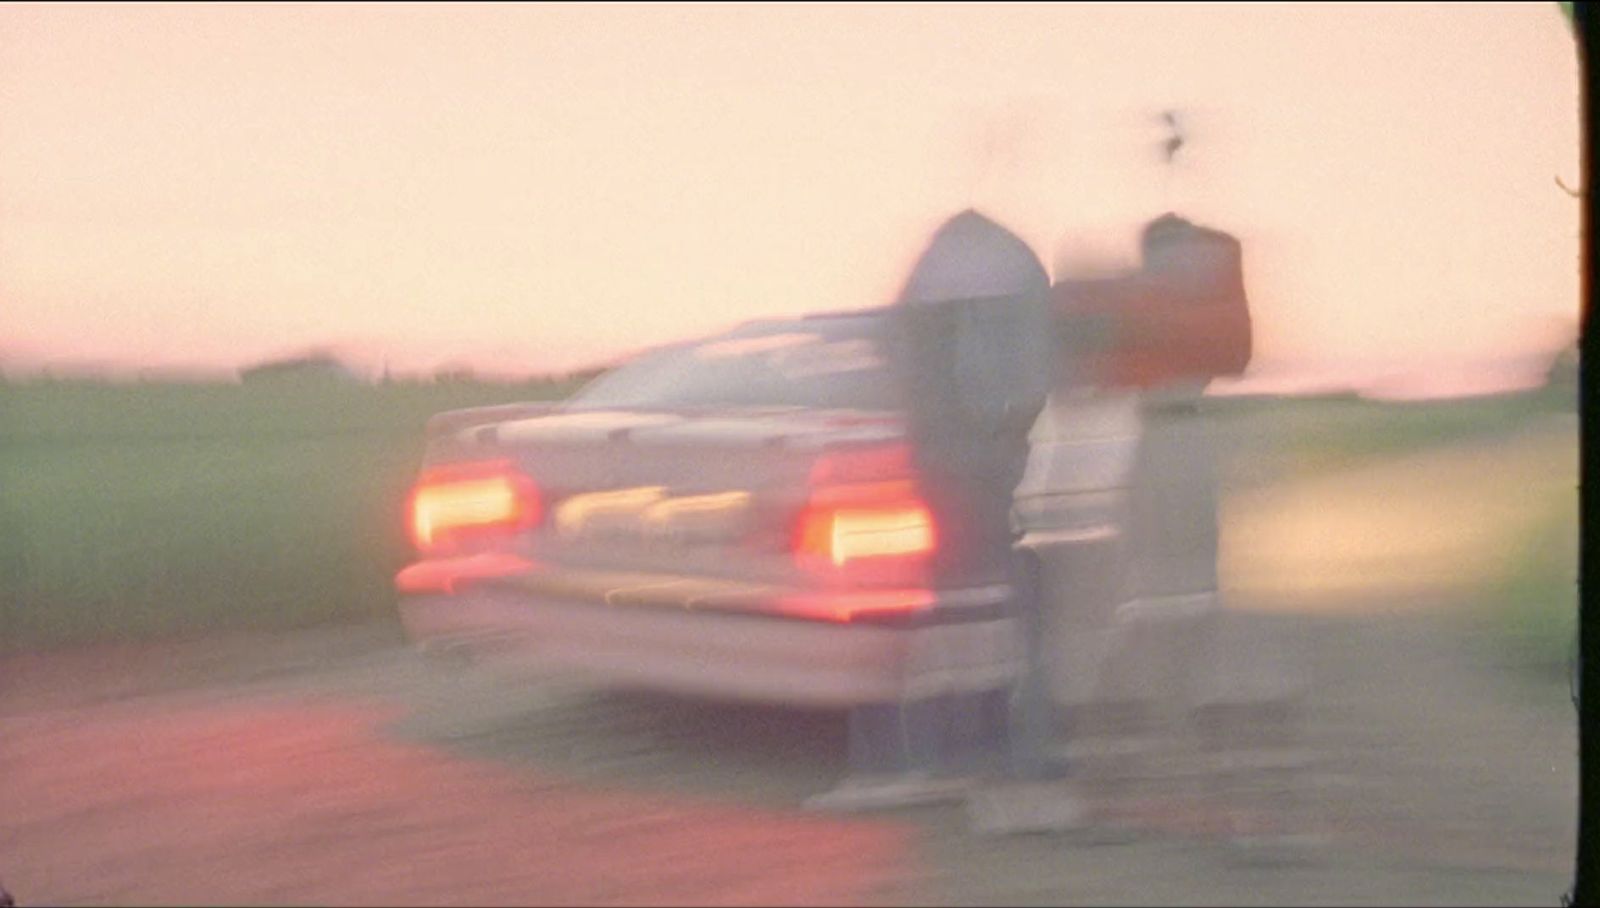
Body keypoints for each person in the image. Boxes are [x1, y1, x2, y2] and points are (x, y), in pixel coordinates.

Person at [805, 209, 1058, 811]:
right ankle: (980, 759)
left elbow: (939, 375)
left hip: (961, 468)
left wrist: (968, 443)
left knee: (965, 618)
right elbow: (1020, 387)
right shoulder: (1004, 277)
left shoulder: (954, 293)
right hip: (970, 469)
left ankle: (943, 761)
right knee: (977, 617)